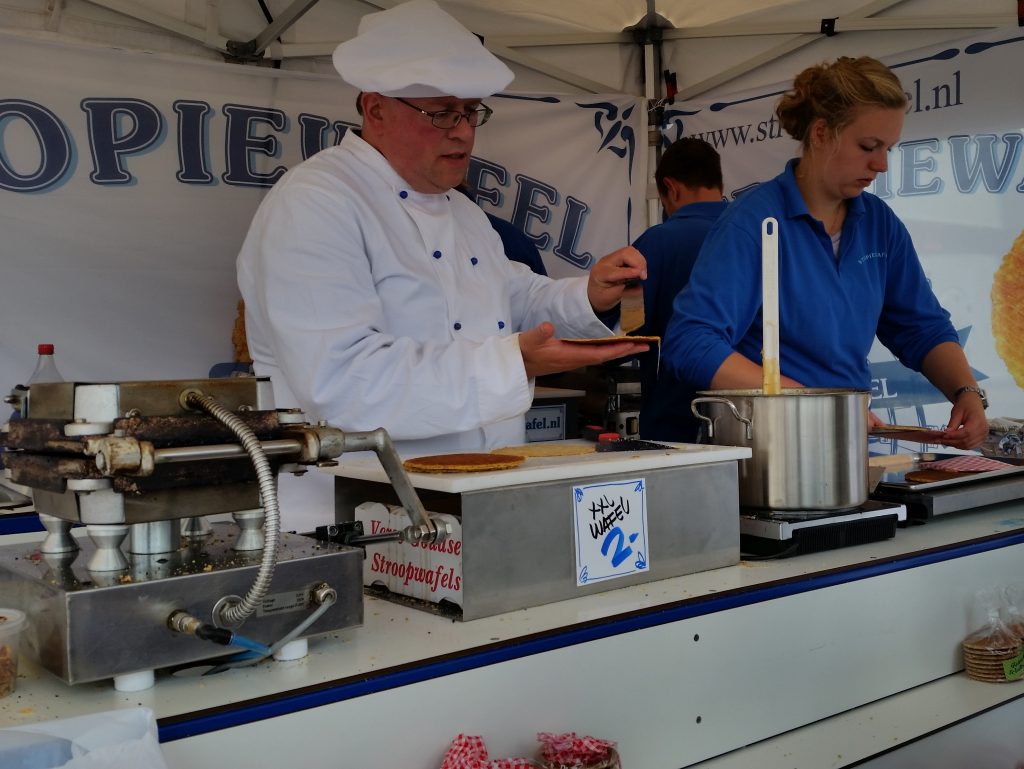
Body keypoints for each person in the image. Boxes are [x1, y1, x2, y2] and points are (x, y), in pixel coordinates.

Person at [236, 0, 649, 527]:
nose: (463, 132)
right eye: (441, 113)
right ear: (375, 108)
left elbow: (514, 296)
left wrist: (589, 294)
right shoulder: (316, 204)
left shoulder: (462, 211)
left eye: (472, 112)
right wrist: (512, 364)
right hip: (355, 514)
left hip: (475, 499)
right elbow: (343, 385)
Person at [662, 56, 987, 450]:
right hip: (767, 453)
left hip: (846, 450)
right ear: (820, 133)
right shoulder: (754, 223)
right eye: (868, 146)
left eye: (888, 148)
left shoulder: (879, 225)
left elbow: (922, 326)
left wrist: (966, 391)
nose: (881, 164)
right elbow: (691, 341)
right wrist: (814, 404)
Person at [630, 138, 727, 442]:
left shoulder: (654, 244)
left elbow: (629, 331)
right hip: (748, 419)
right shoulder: (754, 234)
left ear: (670, 188)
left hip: (675, 424)